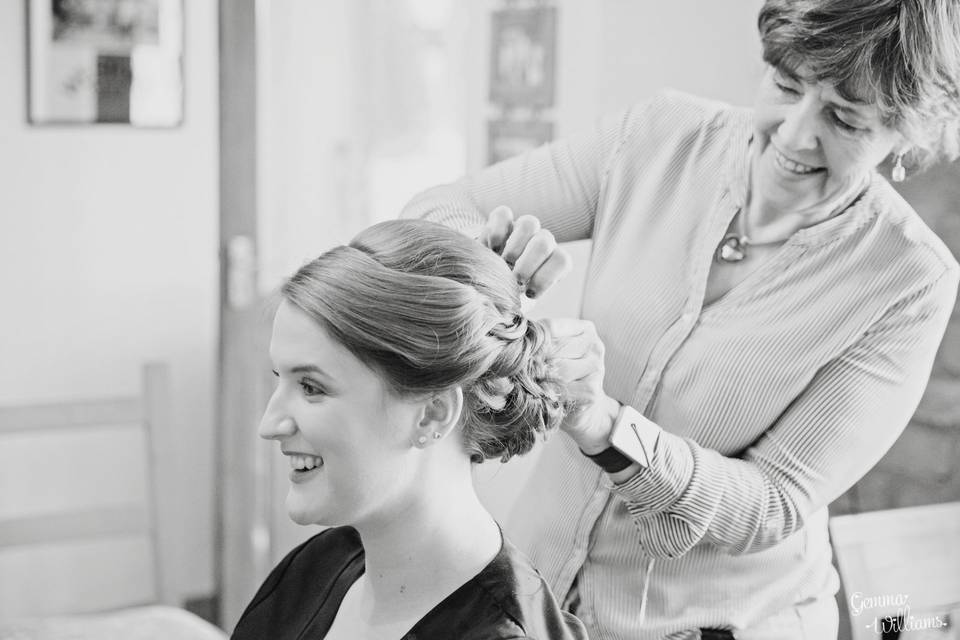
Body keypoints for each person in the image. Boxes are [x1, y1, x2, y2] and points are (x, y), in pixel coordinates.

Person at [401, 1, 960, 638]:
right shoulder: (660, 138)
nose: (795, 134)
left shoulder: (909, 281)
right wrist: (487, 263)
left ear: (906, 135)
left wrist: (602, 424)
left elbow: (771, 504)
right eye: (786, 85)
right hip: (532, 592)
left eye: (844, 118)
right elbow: (438, 209)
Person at [231, 219, 588, 640]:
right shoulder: (320, 566)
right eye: (280, 378)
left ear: (432, 414)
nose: (269, 425)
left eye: (311, 387)